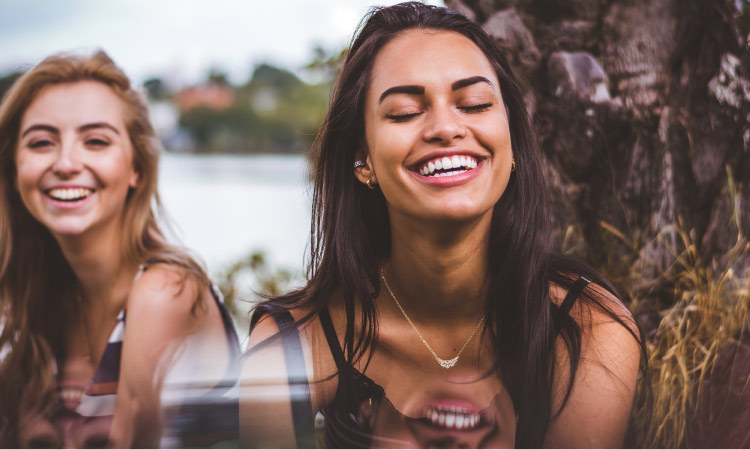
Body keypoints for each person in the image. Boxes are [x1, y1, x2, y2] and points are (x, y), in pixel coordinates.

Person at [240, 2, 643, 448]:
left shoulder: (589, 329)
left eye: (474, 103)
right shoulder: (289, 348)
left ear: (511, 145)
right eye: (405, 112)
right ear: (363, 159)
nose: (446, 127)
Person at [0, 51, 240, 448]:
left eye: (95, 141)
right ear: (14, 170)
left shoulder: (165, 292)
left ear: (137, 169)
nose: (65, 162)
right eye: (41, 143)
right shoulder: (34, 299)